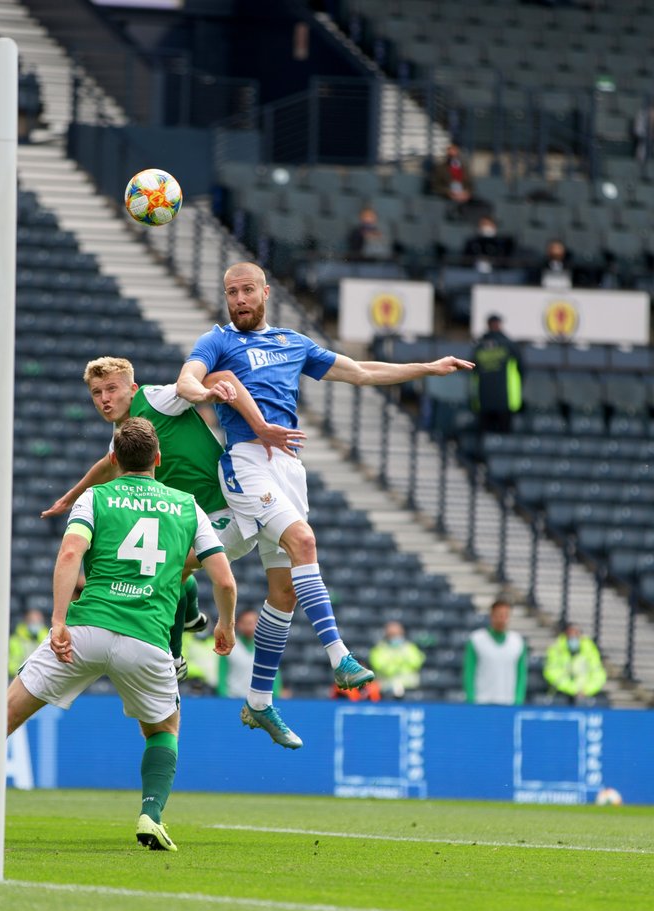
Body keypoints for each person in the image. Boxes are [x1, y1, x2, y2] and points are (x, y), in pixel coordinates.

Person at [0, 418, 238, 851]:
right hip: (146, 640)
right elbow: (223, 581)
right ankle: (150, 814)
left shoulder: (95, 496)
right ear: (159, 460)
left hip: (85, 629)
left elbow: (71, 552)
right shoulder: (187, 506)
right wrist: (224, 623)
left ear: (113, 459)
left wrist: (57, 621)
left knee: (3, 715)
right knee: (164, 729)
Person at [177, 261, 474, 749]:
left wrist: (427, 367)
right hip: (248, 459)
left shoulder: (294, 343)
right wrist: (207, 389)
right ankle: (340, 657)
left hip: (289, 466)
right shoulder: (219, 341)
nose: (239, 300)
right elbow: (188, 378)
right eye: (232, 293)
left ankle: (256, 701)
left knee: (279, 592)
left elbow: (359, 371)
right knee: (304, 542)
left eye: (247, 290)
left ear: (265, 292)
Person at [41, 356, 302, 679]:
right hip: (192, 517)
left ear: (132, 388)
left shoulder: (154, 398)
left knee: (168, 569)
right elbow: (108, 464)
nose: (105, 399)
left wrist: (205, 396)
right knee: (163, 563)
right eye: (97, 393)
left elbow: (188, 387)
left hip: (227, 510)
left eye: (111, 389)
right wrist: (70, 497)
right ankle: (190, 616)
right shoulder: (124, 434)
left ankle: (174, 656)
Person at [464, 597, 528, 705]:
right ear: (492, 616)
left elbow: (521, 675)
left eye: (505, 615)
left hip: (508, 703)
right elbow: (469, 672)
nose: (502, 619)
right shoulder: (476, 640)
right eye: (499, 615)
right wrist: (471, 699)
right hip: (482, 701)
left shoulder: (518, 642)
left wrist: (518, 700)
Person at [471, 313, 523, 435]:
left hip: (501, 399)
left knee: (499, 437)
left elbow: (522, 369)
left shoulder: (481, 346)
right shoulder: (507, 345)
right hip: (492, 399)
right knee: (490, 438)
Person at [543, 621, 606, 705]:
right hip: (562, 692)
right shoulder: (556, 649)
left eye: (576, 633)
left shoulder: (590, 649)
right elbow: (552, 673)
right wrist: (573, 689)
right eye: (570, 634)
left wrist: (586, 690)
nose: (573, 637)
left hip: (586, 692)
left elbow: (598, 674)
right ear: (565, 634)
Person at [369, 620, 426, 699]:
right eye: (392, 634)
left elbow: (416, 663)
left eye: (397, 634)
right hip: (386, 688)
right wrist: (401, 662)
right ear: (387, 635)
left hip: (410, 687)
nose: (395, 637)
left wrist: (393, 662)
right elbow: (381, 667)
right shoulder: (379, 649)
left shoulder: (410, 647)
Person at [216, 608, 258, 698]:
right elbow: (222, 673)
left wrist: (275, 697)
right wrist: (223, 696)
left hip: (256, 700)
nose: (248, 627)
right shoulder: (228, 646)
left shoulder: (265, 647)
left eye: (252, 623)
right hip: (233, 698)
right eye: (245, 623)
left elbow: (275, 675)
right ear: (238, 624)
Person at [9, 607, 50, 677]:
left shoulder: (48, 639)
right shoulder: (15, 640)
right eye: (32, 621)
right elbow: (11, 665)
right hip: (17, 677)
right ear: (26, 622)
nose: (36, 624)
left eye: (38, 621)